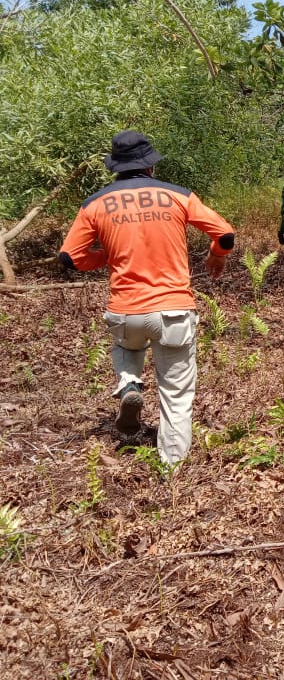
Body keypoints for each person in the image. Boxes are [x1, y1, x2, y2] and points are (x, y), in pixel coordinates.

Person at [58, 130, 235, 468]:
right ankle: (172, 471)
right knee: (177, 395)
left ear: (117, 167)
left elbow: (69, 257)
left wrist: (107, 257)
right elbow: (224, 234)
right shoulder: (179, 195)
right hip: (173, 311)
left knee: (125, 347)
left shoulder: (95, 203)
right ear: (150, 166)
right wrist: (217, 255)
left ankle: (127, 385)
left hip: (126, 313)